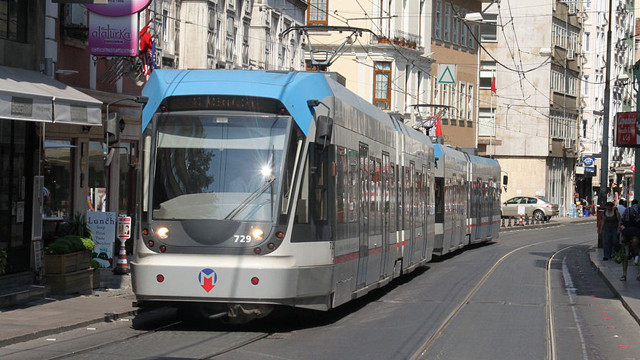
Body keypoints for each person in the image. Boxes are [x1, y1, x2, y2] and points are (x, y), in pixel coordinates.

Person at [619, 199, 640, 281]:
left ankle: (624, 274)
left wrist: (620, 228)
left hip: (626, 235)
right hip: (634, 235)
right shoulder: (638, 211)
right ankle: (638, 274)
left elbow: (621, 220)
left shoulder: (627, 210)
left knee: (625, 256)